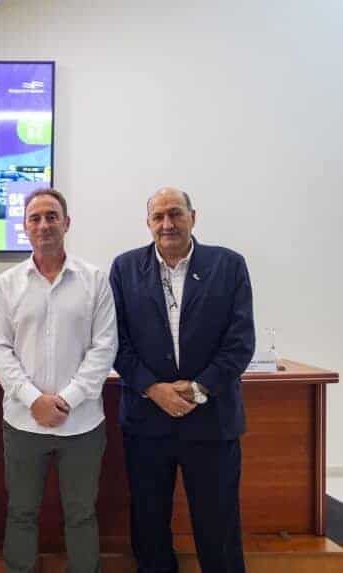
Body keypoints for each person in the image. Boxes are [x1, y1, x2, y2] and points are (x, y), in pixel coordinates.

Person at [109, 187, 255, 572]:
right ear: (148, 223)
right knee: (149, 526)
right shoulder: (124, 269)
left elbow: (240, 342)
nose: (167, 224)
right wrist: (154, 389)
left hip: (211, 420)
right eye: (158, 217)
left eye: (175, 213)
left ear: (193, 216)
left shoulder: (228, 266)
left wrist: (197, 388)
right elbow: (116, 342)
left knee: (219, 526)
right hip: (147, 421)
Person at [0, 188, 117, 573]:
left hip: (82, 424)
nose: (43, 225)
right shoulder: (7, 284)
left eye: (51, 216)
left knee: (81, 514)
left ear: (66, 223)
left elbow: (104, 347)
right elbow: (0, 349)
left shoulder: (94, 280)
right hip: (23, 423)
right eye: (35, 218)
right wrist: (34, 400)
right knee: (21, 513)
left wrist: (66, 400)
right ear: (25, 226)